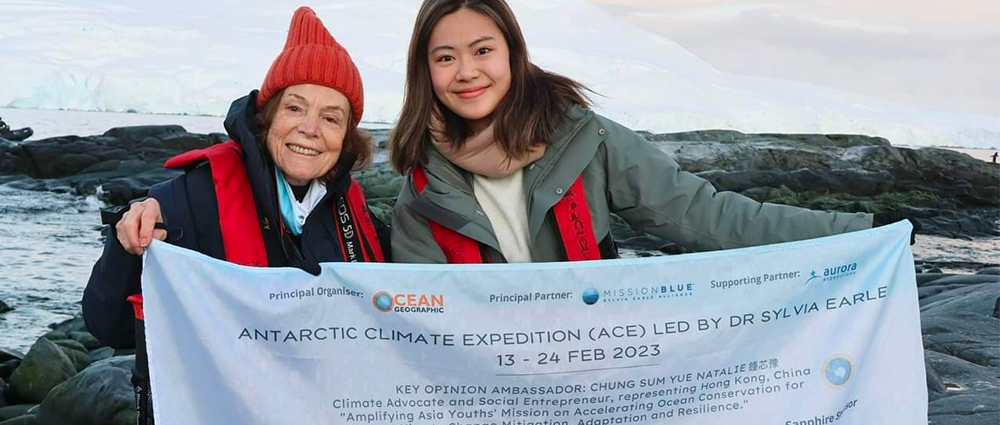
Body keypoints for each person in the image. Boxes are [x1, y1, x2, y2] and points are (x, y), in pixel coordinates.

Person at [389, 0, 912, 264]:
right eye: (445, 57)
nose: (466, 71)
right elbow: (428, 322)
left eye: (483, 50)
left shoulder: (584, 141)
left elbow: (705, 217)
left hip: (599, 364)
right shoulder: (421, 191)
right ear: (425, 71)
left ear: (512, 55)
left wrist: (861, 231)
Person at [83, 7, 387, 424]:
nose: (310, 128)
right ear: (268, 118)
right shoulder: (185, 200)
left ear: (347, 136)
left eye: (331, 118)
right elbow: (109, 326)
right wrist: (127, 243)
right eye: (295, 108)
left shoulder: (360, 221)